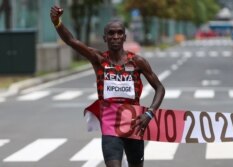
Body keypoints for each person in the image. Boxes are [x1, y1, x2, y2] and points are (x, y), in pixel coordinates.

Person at [50, 5, 165, 167]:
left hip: (134, 125)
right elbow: (71, 41)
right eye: (111, 33)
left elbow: (160, 88)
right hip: (110, 126)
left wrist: (150, 114)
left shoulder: (137, 61)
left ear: (125, 37)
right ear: (105, 38)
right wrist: (57, 22)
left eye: (119, 33)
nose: (115, 36)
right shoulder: (98, 59)